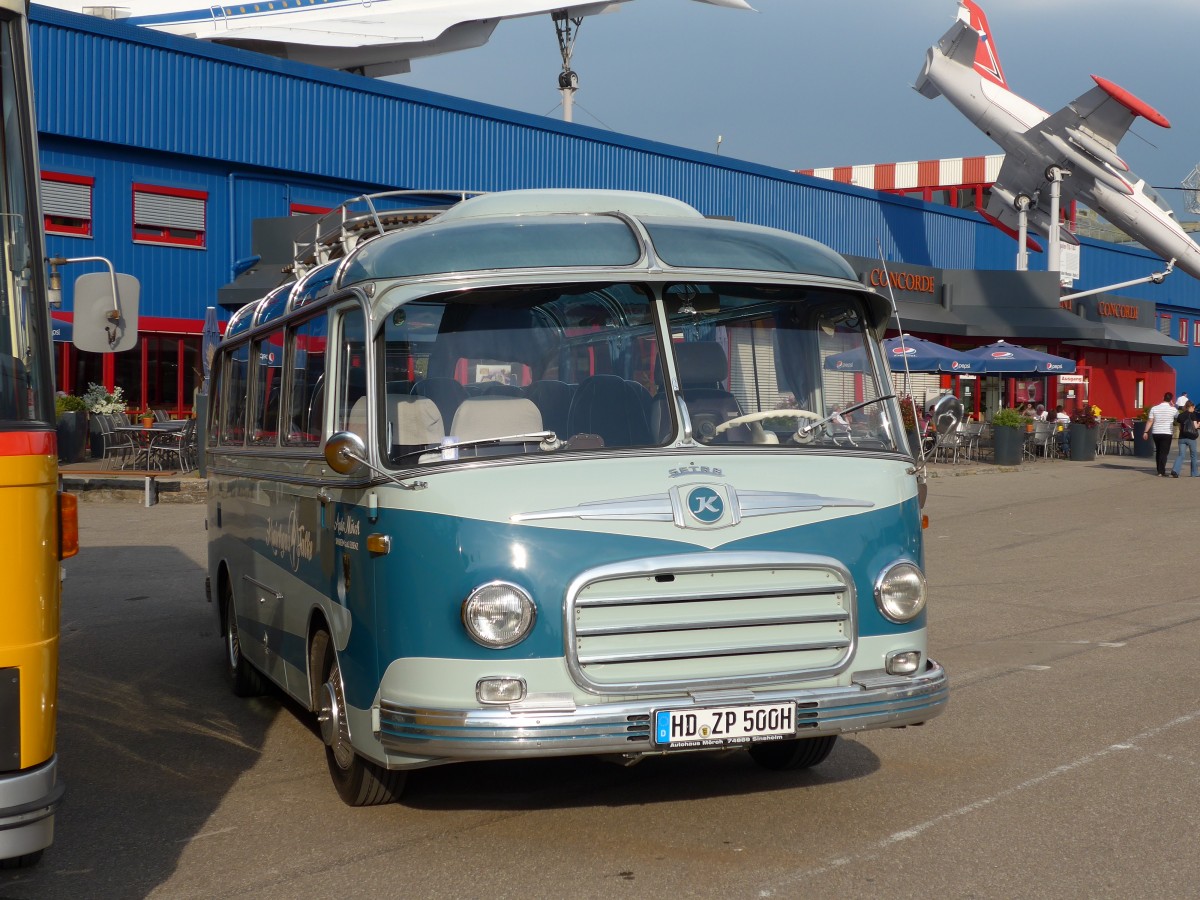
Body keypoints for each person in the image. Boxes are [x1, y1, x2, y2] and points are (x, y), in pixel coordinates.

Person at [1145, 391, 1177, 476]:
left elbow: (1150, 421)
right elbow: (1179, 417)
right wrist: (1174, 406)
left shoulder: (1154, 408)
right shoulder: (1173, 410)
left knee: (1158, 451)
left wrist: (1145, 431)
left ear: (1163, 398)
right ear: (1171, 400)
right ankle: (1161, 471)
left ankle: (1159, 469)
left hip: (1156, 432)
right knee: (1164, 452)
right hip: (1167, 432)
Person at [1172, 400, 1200, 477]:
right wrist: (1198, 424)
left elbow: (1180, 426)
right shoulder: (1193, 415)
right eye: (1193, 407)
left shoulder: (1180, 415)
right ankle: (1194, 473)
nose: (1194, 408)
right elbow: (1195, 427)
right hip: (1191, 438)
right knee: (1193, 455)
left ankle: (1175, 470)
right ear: (1191, 407)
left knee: (1181, 455)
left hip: (1181, 438)